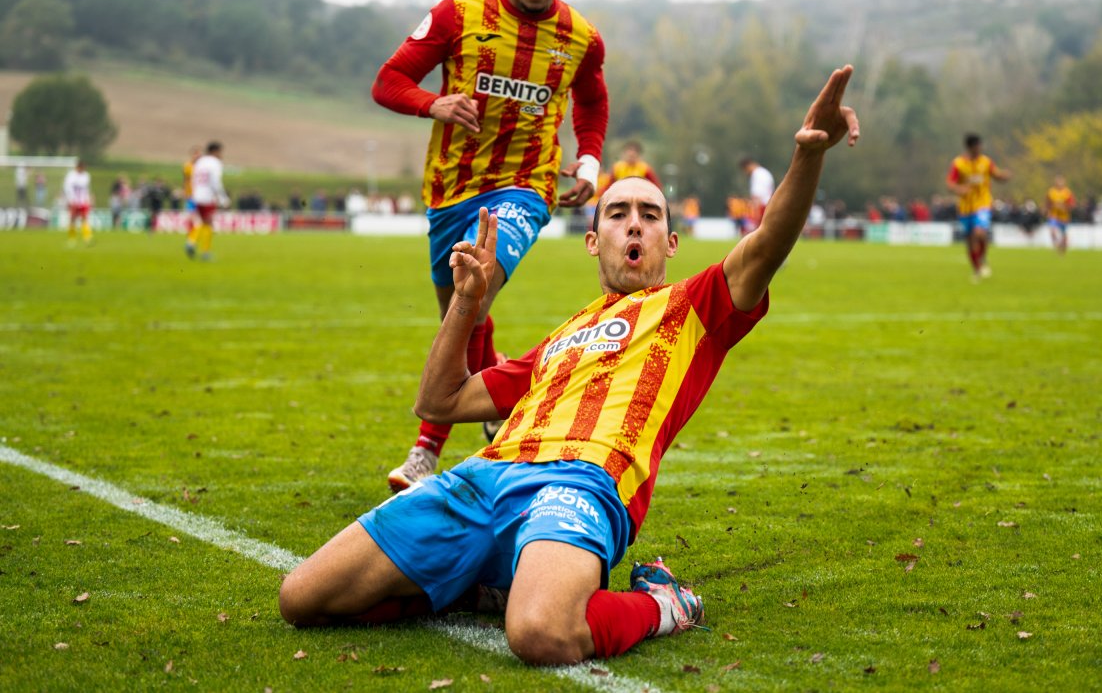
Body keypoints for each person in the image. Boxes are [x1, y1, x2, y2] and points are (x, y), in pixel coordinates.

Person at [278, 66, 859, 665]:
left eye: (651, 214)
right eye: (618, 213)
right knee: (303, 597)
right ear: (593, 239)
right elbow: (438, 403)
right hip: (484, 479)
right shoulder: (561, 338)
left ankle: (665, 604)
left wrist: (807, 155)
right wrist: (466, 305)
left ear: (669, 243)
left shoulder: (695, 307)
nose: (634, 222)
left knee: (541, 634)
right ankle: (479, 584)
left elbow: (767, 243)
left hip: (581, 481)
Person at [371, 0, 609, 491]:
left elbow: (592, 103)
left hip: (526, 186)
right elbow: (388, 81)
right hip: (450, 190)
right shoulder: (459, 13)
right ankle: (497, 404)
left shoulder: (581, 38)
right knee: (464, 312)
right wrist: (435, 104)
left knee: (472, 292)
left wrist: (588, 160)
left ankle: (426, 450)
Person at [946, 133, 1011, 281]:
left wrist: (1004, 176)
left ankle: (983, 259)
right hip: (965, 207)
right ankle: (977, 269)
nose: (980, 149)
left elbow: (996, 175)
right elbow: (950, 183)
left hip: (983, 203)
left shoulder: (986, 162)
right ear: (970, 147)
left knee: (979, 233)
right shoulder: (958, 164)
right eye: (977, 146)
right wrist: (959, 189)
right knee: (970, 241)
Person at [186, 142, 229, 261]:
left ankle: (191, 241)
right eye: (220, 152)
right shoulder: (215, 163)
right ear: (214, 151)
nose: (221, 155)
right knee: (208, 223)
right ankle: (205, 252)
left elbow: (193, 179)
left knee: (201, 222)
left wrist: (194, 194)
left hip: (196, 196)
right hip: (208, 197)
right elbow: (216, 182)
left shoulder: (200, 162)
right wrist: (223, 199)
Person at [739, 156, 775, 232]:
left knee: (756, 232)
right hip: (769, 205)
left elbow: (757, 195)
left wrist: (755, 212)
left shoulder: (757, 174)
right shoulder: (764, 172)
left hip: (763, 207)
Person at [62, 160, 93, 246]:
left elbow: (87, 189)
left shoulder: (86, 176)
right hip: (74, 201)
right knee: (72, 220)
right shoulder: (71, 176)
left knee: (85, 219)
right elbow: (67, 188)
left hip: (83, 201)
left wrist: (88, 198)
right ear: (78, 167)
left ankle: (87, 238)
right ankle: (72, 239)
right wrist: (70, 200)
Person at [1044, 174, 1075, 254]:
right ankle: (1057, 244)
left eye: (1061, 181)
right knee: (1052, 231)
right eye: (1058, 181)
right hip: (1054, 215)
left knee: (1064, 234)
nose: (1059, 183)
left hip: (1064, 216)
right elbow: (1047, 203)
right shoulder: (1051, 192)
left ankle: (1063, 250)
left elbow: (1072, 205)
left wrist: (1064, 207)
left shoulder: (1067, 192)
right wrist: (1047, 210)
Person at [182, 145, 202, 255]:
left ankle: (192, 240)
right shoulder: (188, 166)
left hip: (201, 196)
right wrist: (185, 192)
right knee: (193, 219)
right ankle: (191, 239)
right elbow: (185, 180)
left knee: (198, 220)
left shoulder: (202, 167)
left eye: (199, 154)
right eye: (195, 153)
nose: (198, 156)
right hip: (191, 197)